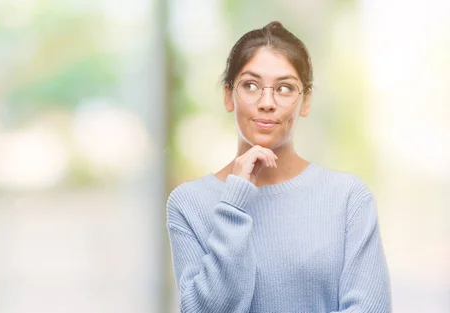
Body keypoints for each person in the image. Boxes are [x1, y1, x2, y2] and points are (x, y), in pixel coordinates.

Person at [165, 21, 391, 313]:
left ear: (305, 101)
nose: (267, 102)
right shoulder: (188, 203)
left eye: (284, 88)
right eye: (250, 85)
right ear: (227, 95)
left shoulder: (348, 198)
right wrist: (235, 201)